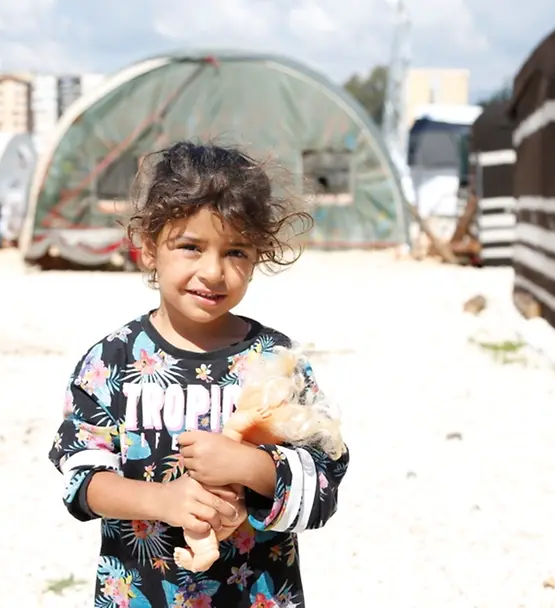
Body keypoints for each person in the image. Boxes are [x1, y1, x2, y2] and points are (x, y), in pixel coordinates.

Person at [48, 141, 350, 607]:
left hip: (258, 594)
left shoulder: (276, 361)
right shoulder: (111, 361)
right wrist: (164, 501)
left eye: (236, 252)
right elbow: (81, 479)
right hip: (141, 595)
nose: (213, 272)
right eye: (190, 246)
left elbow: (325, 477)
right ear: (148, 248)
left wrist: (252, 468)